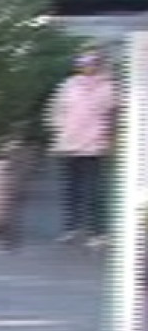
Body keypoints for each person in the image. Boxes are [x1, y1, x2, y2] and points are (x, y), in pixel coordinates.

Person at [47, 48, 119, 247]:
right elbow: (57, 111)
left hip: (95, 146)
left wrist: (109, 139)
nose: (86, 66)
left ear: (98, 65)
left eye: (91, 62)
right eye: (82, 63)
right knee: (71, 189)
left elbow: (113, 115)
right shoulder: (69, 85)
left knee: (95, 190)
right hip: (69, 144)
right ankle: (71, 228)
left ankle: (98, 232)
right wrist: (60, 133)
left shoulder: (108, 87)